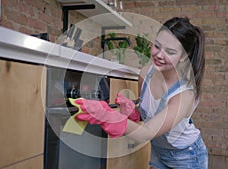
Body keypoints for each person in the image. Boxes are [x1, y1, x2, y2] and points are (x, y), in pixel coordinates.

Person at [74, 17, 208, 169]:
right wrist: (134, 113)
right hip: (158, 152)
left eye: (170, 52)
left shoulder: (184, 94)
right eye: (157, 46)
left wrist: (108, 117)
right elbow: (150, 114)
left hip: (187, 157)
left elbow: (147, 132)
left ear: (184, 57)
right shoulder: (146, 73)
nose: (159, 55)